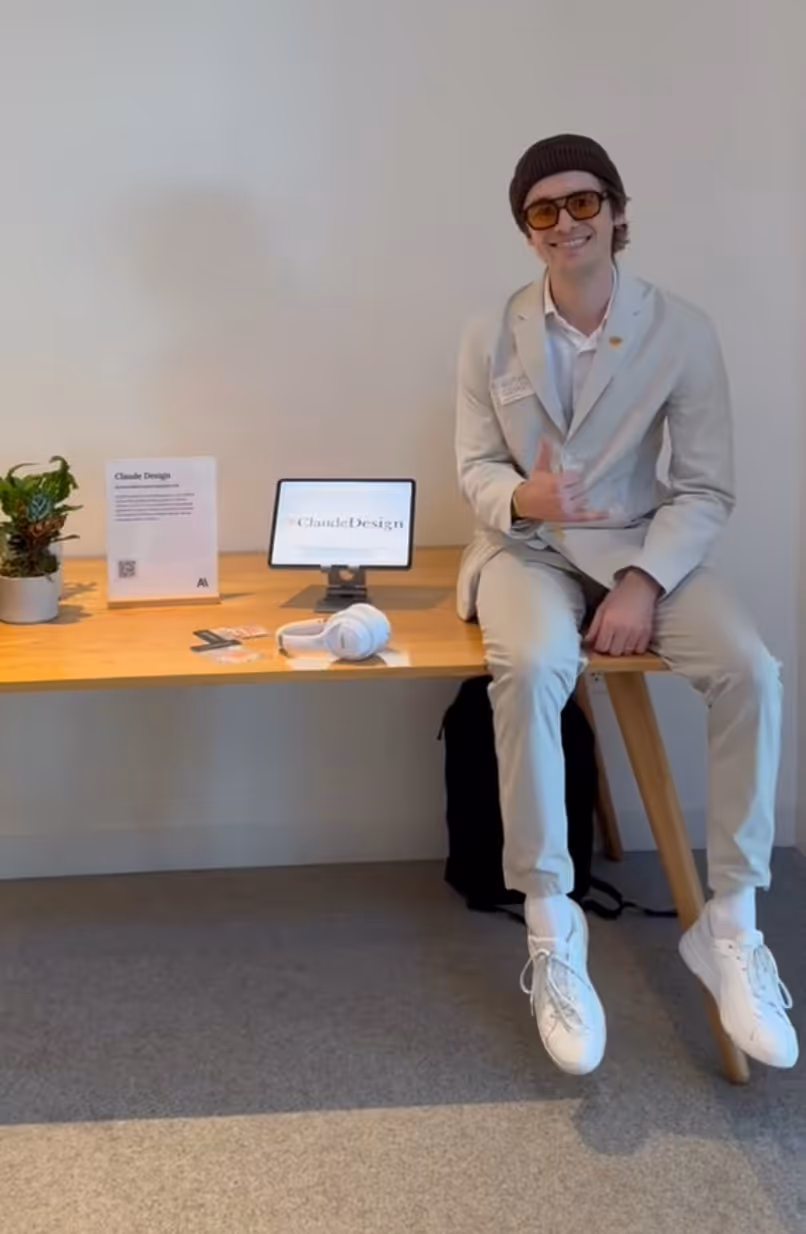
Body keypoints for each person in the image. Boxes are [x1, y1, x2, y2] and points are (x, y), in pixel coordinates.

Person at [455, 133, 797, 1075]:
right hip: (527, 551)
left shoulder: (681, 328)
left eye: (584, 202)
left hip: (644, 550)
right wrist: (526, 499)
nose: (566, 222)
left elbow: (706, 488)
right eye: (544, 210)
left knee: (752, 671)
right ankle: (551, 921)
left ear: (616, 212)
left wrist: (644, 580)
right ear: (527, 232)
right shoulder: (489, 333)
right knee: (528, 665)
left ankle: (729, 923)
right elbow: (475, 467)